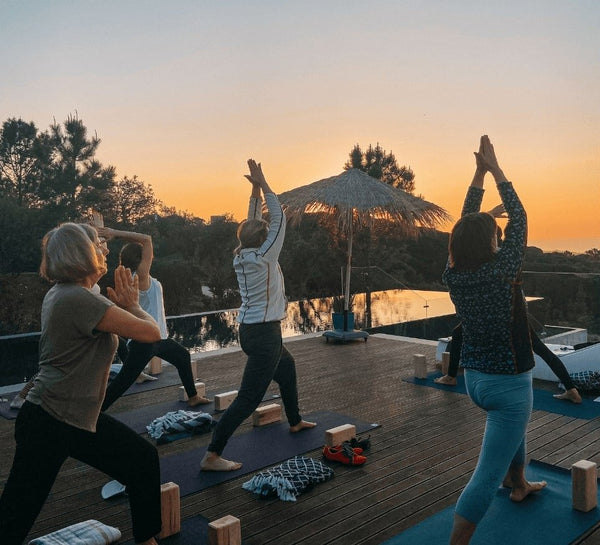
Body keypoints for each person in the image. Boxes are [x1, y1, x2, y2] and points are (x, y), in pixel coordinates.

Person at [0, 223, 162, 545]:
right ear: (82, 254)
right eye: (97, 244)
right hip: (50, 421)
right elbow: (152, 334)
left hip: (71, 417)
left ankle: (147, 540)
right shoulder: (79, 299)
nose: (103, 249)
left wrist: (123, 304)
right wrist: (134, 306)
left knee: (141, 461)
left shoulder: (70, 293)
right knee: (13, 521)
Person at [443, 136, 546, 545]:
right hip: (507, 384)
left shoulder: (454, 274)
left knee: (511, 433)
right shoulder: (503, 272)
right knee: (485, 476)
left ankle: (518, 483)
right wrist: (496, 169)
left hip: (477, 381)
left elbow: (465, 225)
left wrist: (479, 174)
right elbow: (519, 217)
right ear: (490, 244)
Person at [200, 159, 316, 472]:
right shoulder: (266, 257)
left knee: (287, 367)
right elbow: (277, 217)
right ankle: (212, 454)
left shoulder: (243, 256)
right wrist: (264, 183)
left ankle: (294, 421)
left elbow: (253, 224)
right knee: (248, 399)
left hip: (253, 333)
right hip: (265, 336)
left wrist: (254, 192)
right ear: (262, 239)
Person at [97, 225, 210, 410]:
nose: (151, 255)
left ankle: (193, 397)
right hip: (145, 342)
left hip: (159, 338)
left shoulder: (134, 278)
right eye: (147, 256)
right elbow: (147, 239)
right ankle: (95, 412)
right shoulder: (141, 278)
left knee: (182, 356)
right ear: (140, 259)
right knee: (121, 384)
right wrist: (115, 234)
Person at [435, 322, 582, 403]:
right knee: (540, 349)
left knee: (457, 333)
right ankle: (571, 389)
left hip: (499, 311)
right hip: (516, 312)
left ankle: (451, 376)